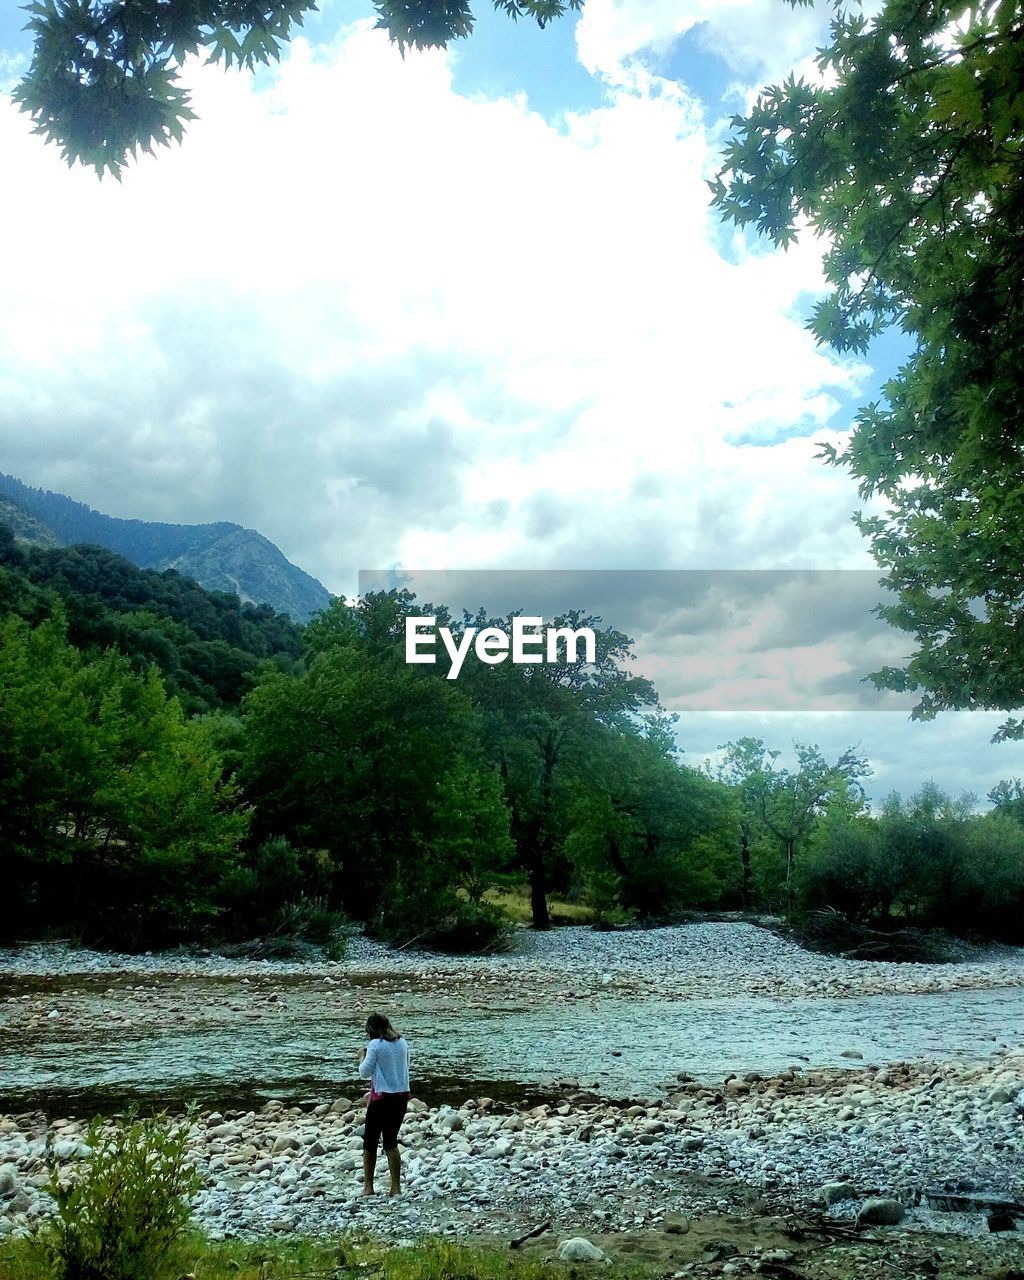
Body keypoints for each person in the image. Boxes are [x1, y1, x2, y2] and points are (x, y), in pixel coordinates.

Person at [358, 1013, 411, 1197]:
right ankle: (396, 1187)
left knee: (370, 1141)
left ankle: (368, 1186)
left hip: (381, 1098)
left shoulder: (375, 1045)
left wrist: (361, 1057)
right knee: (391, 1141)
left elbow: (364, 1072)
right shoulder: (402, 1042)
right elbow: (406, 1066)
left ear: (371, 1030)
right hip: (401, 1096)